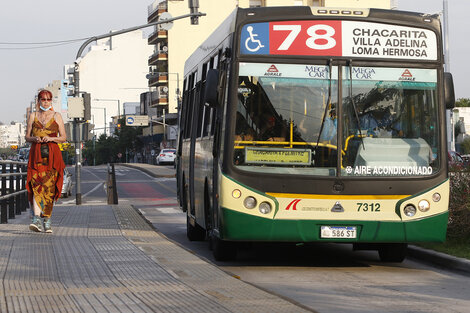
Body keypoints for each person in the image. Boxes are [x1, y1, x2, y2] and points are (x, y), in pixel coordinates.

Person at [25, 90, 66, 233]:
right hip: (36, 155)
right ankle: (36, 219)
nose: (46, 102)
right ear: (39, 100)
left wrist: (51, 138)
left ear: (51, 101)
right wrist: (35, 139)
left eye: (48, 99)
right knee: (36, 185)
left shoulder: (57, 116)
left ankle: (47, 219)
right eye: (43, 99)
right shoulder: (33, 116)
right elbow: (27, 136)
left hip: (52, 156)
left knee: (49, 187)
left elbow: (64, 137)